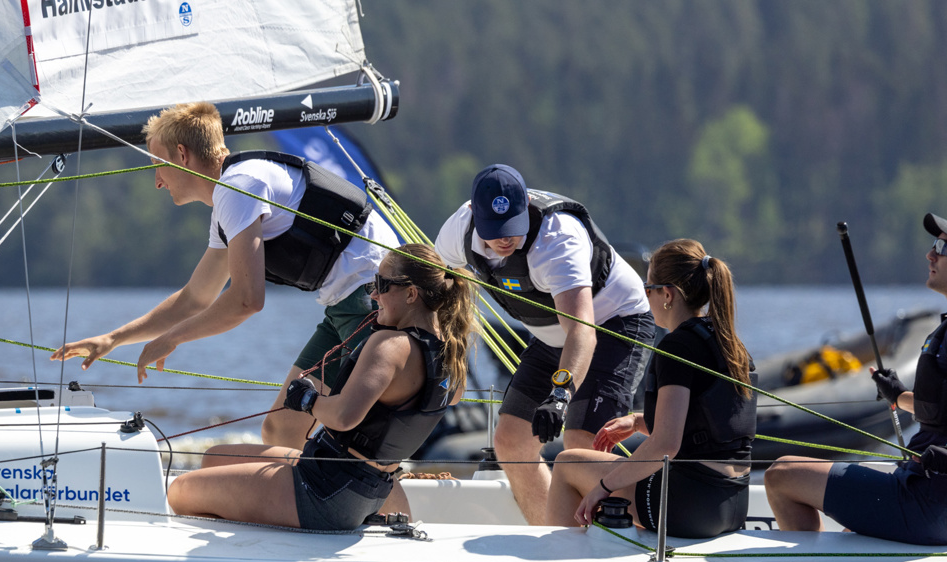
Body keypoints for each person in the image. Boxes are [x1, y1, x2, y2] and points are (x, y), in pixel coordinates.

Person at [51, 101, 400, 449]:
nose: (157, 181)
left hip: (377, 296)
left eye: (157, 165)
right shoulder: (231, 197)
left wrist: (172, 338)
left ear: (182, 155)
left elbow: (248, 300)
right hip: (347, 302)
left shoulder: (238, 187)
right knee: (281, 430)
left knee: (358, 438)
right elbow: (195, 298)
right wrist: (112, 339)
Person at [167, 244, 475, 530]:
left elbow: (343, 417)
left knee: (180, 492)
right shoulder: (449, 354)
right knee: (215, 457)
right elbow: (442, 400)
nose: (373, 295)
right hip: (366, 488)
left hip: (326, 491)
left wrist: (307, 399)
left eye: (381, 285)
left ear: (411, 294)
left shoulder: (390, 344)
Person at [435, 164, 654, 524]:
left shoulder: (557, 241)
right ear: (473, 212)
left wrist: (560, 395)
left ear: (526, 206)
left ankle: (640, 532)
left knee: (583, 444)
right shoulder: (457, 232)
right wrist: (446, 357)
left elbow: (581, 331)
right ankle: (551, 538)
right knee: (511, 442)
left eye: (513, 227)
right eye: (495, 231)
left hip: (613, 325)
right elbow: (439, 292)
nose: (505, 240)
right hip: (550, 334)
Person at [545, 239, 757, 539]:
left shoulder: (677, 347)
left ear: (667, 294)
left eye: (648, 289)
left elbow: (666, 445)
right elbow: (704, 425)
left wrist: (603, 487)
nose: (646, 297)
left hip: (692, 505)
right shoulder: (732, 345)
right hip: (733, 503)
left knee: (568, 463)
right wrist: (637, 422)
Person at [764, 213, 947, 544]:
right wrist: (898, 395)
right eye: (934, 245)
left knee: (781, 474)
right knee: (850, 528)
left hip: (928, 502)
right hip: (923, 492)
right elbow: (936, 409)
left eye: (942, 248)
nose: (930, 254)